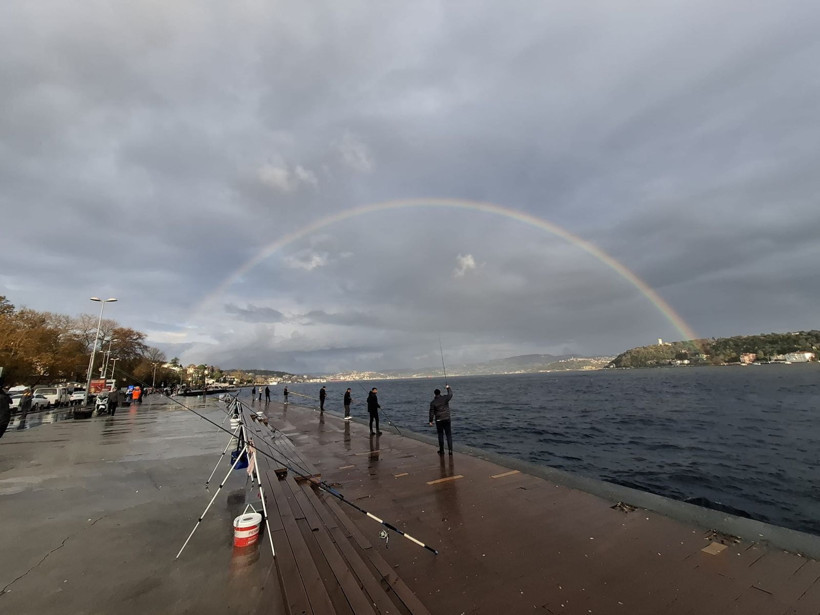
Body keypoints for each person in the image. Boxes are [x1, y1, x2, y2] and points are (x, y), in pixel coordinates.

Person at [429, 385, 454, 455]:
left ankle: (442, 450)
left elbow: (431, 412)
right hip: (447, 418)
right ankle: (450, 451)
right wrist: (448, 388)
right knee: (448, 435)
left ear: (434, 394)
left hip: (439, 420)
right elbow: (450, 394)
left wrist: (430, 421)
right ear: (440, 393)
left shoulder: (433, 402)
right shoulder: (445, 398)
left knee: (440, 435)